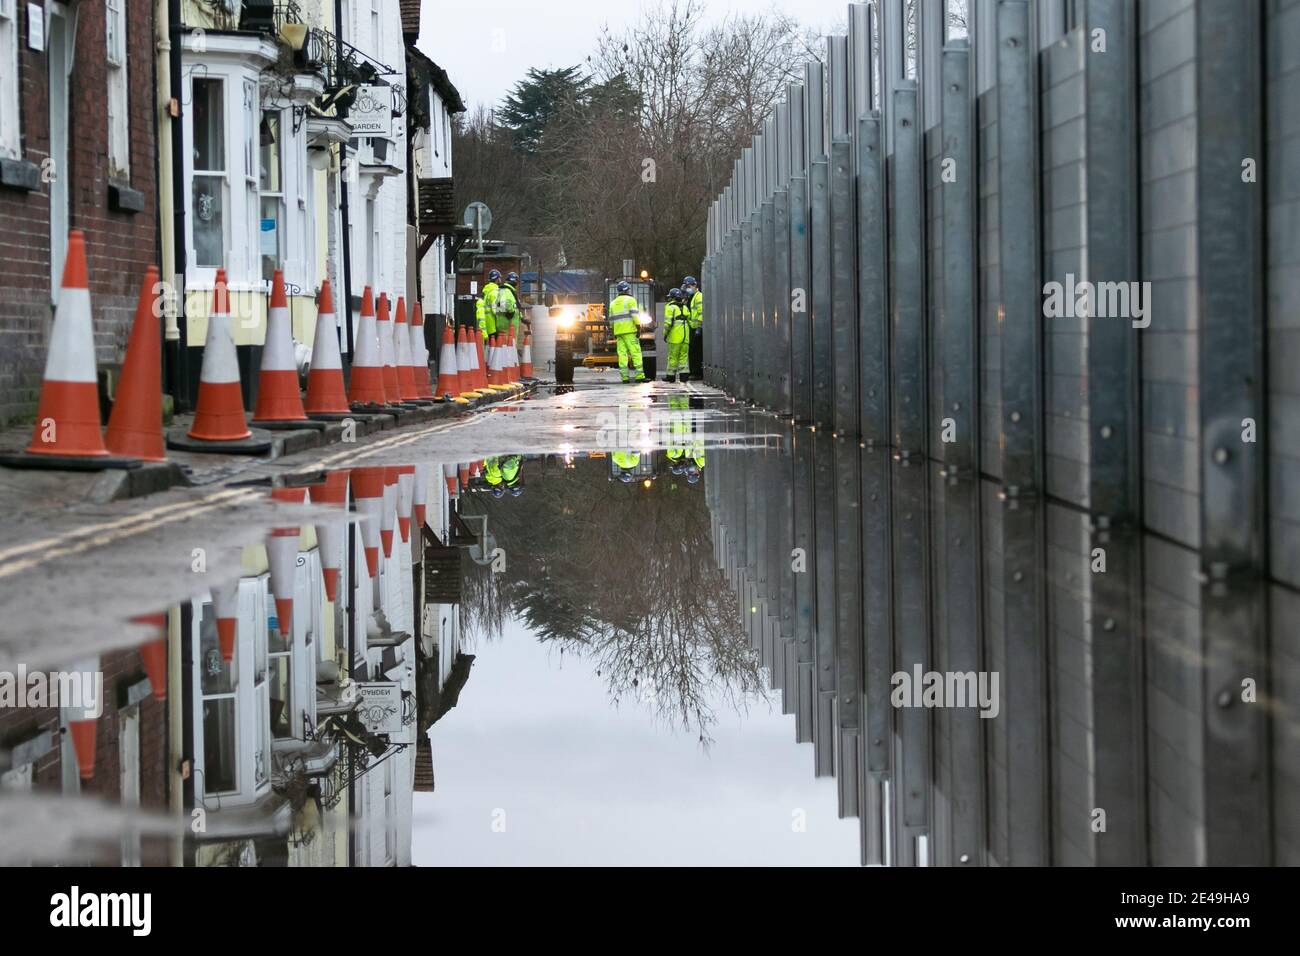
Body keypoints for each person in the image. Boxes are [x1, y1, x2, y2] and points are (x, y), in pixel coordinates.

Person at [608, 280, 645, 384]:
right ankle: (640, 376)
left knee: (622, 355)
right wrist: (638, 327)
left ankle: (625, 377)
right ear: (627, 289)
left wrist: (612, 331)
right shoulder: (631, 300)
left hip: (619, 333)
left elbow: (611, 320)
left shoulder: (613, 303)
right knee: (636, 353)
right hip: (630, 332)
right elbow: (634, 315)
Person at [662, 287, 690, 383]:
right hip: (685, 337)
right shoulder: (685, 307)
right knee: (684, 357)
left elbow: (667, 324)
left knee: (673, 357)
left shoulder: (670, 307)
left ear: (672, 297)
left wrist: (665, 334)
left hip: (675, 337)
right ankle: (684, 376)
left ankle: (671, 376)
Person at [682, 275, 703, 380]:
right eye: (686, 286)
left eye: (689, 286)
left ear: (695, 285)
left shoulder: (698, 296)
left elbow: (701, 312)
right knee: (691, 351)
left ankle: (697, 372)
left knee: (696, 352)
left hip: (697, 329)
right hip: (691, 328)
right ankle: (693, 371)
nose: (687, 288)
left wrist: (699, 326)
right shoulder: (689, 298)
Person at [477, 269, 501, 341]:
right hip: (494, 327)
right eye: (499, 278)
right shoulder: (494, 292)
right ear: (496, 279)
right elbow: (497, 310)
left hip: (487, 326)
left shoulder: (486, 291)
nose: (500, 280)